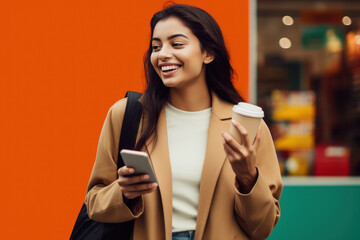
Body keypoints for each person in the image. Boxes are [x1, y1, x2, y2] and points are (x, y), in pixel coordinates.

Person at [85, 3, 282, 240]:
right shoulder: (127, 114)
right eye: (156, 46)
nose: (163, 54)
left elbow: (262, 228)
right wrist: (125, 193)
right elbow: (94, 204)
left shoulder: (246, 126)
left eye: (176, 44)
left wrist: (248, 177)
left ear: (208, 53)